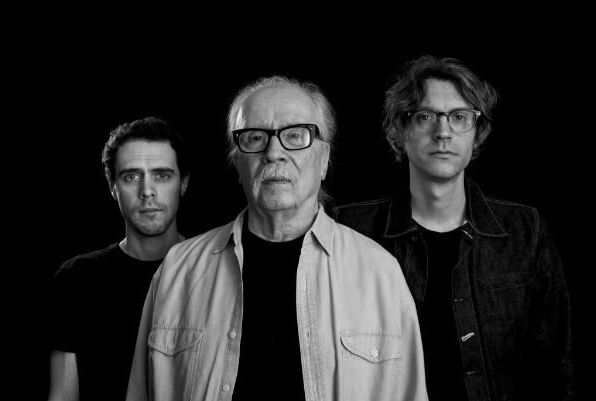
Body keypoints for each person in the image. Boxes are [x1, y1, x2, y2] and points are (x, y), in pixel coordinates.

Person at [126, 76, 428, 400]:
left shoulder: (380, 273)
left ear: (323, 159)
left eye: (295, 136)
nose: (273, 152)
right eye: (255, 137)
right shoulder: (177, 270)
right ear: (237, 162)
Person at [335, 55, 575, 400]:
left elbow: (555, 370)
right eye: (425, 116)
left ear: (478, 133)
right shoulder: (346, 228)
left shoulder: (525, 230)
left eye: (459, 117)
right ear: (399, 130)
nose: (443, 132)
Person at [47, 117, 190, 401]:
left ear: (183, 183)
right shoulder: (75, 280)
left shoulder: (214, 270)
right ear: (113, 187)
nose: (147, 191)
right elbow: (63, 395)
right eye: (131, 176)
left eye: (162, 175)